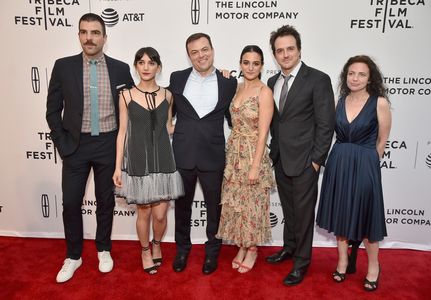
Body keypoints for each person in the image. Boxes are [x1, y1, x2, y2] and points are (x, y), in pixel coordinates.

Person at [46, 13, 133, 283]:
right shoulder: (63, 66)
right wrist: (62, 142)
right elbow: (52, 110)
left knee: (105, 202)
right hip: (76, 145)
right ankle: (73, 255)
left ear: (104, 37)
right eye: (84, 32)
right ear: (79, 35)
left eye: (95, 33)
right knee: (71, 202)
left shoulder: (120, 68)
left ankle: (103, 248)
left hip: (108, 143)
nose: (89, 38)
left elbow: (135, 105)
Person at [265, 25, 335, 286]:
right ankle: (289, 248)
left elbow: (326, 124)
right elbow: (276, 122)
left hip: (306, 160)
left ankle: (302, 262)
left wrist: (316, 160)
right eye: (280, 50)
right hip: (281, 158)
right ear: (274, 54)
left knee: (304, 213)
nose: (285, 54)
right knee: (290, 209)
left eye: (290, 49)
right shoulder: (272, 82)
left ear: (299, 49)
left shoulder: (318, 79)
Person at [316, 55, 391, 292]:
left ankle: (373, 267)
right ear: (345, 76)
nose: (355, 78)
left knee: (367, 219)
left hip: (365, 164)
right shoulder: (340, 101)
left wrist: (368, 163)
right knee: (340, 214)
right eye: (351, 73)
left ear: (370, 78)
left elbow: (382, 141)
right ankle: (343, 261)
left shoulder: (379, 102)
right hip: (338, 163)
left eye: (361, 74)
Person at [168, 33, 237, 275]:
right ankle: (182, 250)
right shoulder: (176, 79)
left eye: (204, 49)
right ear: (189, 56)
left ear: (212, 49)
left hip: (213, 155)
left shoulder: (229, 82)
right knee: (182, 207)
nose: (201, 55)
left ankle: (212, 253)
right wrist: (170, 126)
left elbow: (235, 119)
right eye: (195, 52)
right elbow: (167, 109)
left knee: (214, 209)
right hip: (183, 154)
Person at [113, 47, 184, 275]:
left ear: (158, 67)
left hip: (163, 160)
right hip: (138, 161)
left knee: (161, 215)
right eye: (141, 62)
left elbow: (168, 127)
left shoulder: (168, 95)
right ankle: (145, 250)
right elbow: (122, 132)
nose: (146, 67)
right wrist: (117, 167)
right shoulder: (126, 95)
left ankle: (156, 244)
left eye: (151, 63)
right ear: (136, 66)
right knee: (143, 212)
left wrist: (193, 126)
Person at [216, 45, 275, 273]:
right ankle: (241, 244)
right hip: (234, 154)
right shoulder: (237, 88)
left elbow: (263, 134)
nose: (250, 67)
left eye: (256, 63)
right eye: (246, 62)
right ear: (240, 64)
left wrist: (254, 167)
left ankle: (252, 249)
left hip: (253, 154)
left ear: (261, 66)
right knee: (237, 205)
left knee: (252, 206)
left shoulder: (264, 92)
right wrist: (224, 76)